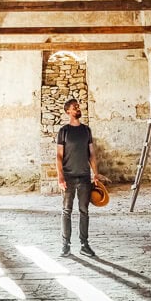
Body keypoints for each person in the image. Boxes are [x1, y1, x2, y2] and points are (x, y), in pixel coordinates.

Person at [56, 98, 101, 258]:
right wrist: (60, 176)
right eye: (75, 107)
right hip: (68, 177)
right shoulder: (64, 131)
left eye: (78, 107)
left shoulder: (86, 130)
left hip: (84, 177)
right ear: (68, 111)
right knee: (67, 211)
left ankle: (84, 245)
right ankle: (65, 245)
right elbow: (59, 156)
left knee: (84, 211)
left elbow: (92, 154)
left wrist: (95, 173)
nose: (78, 109)